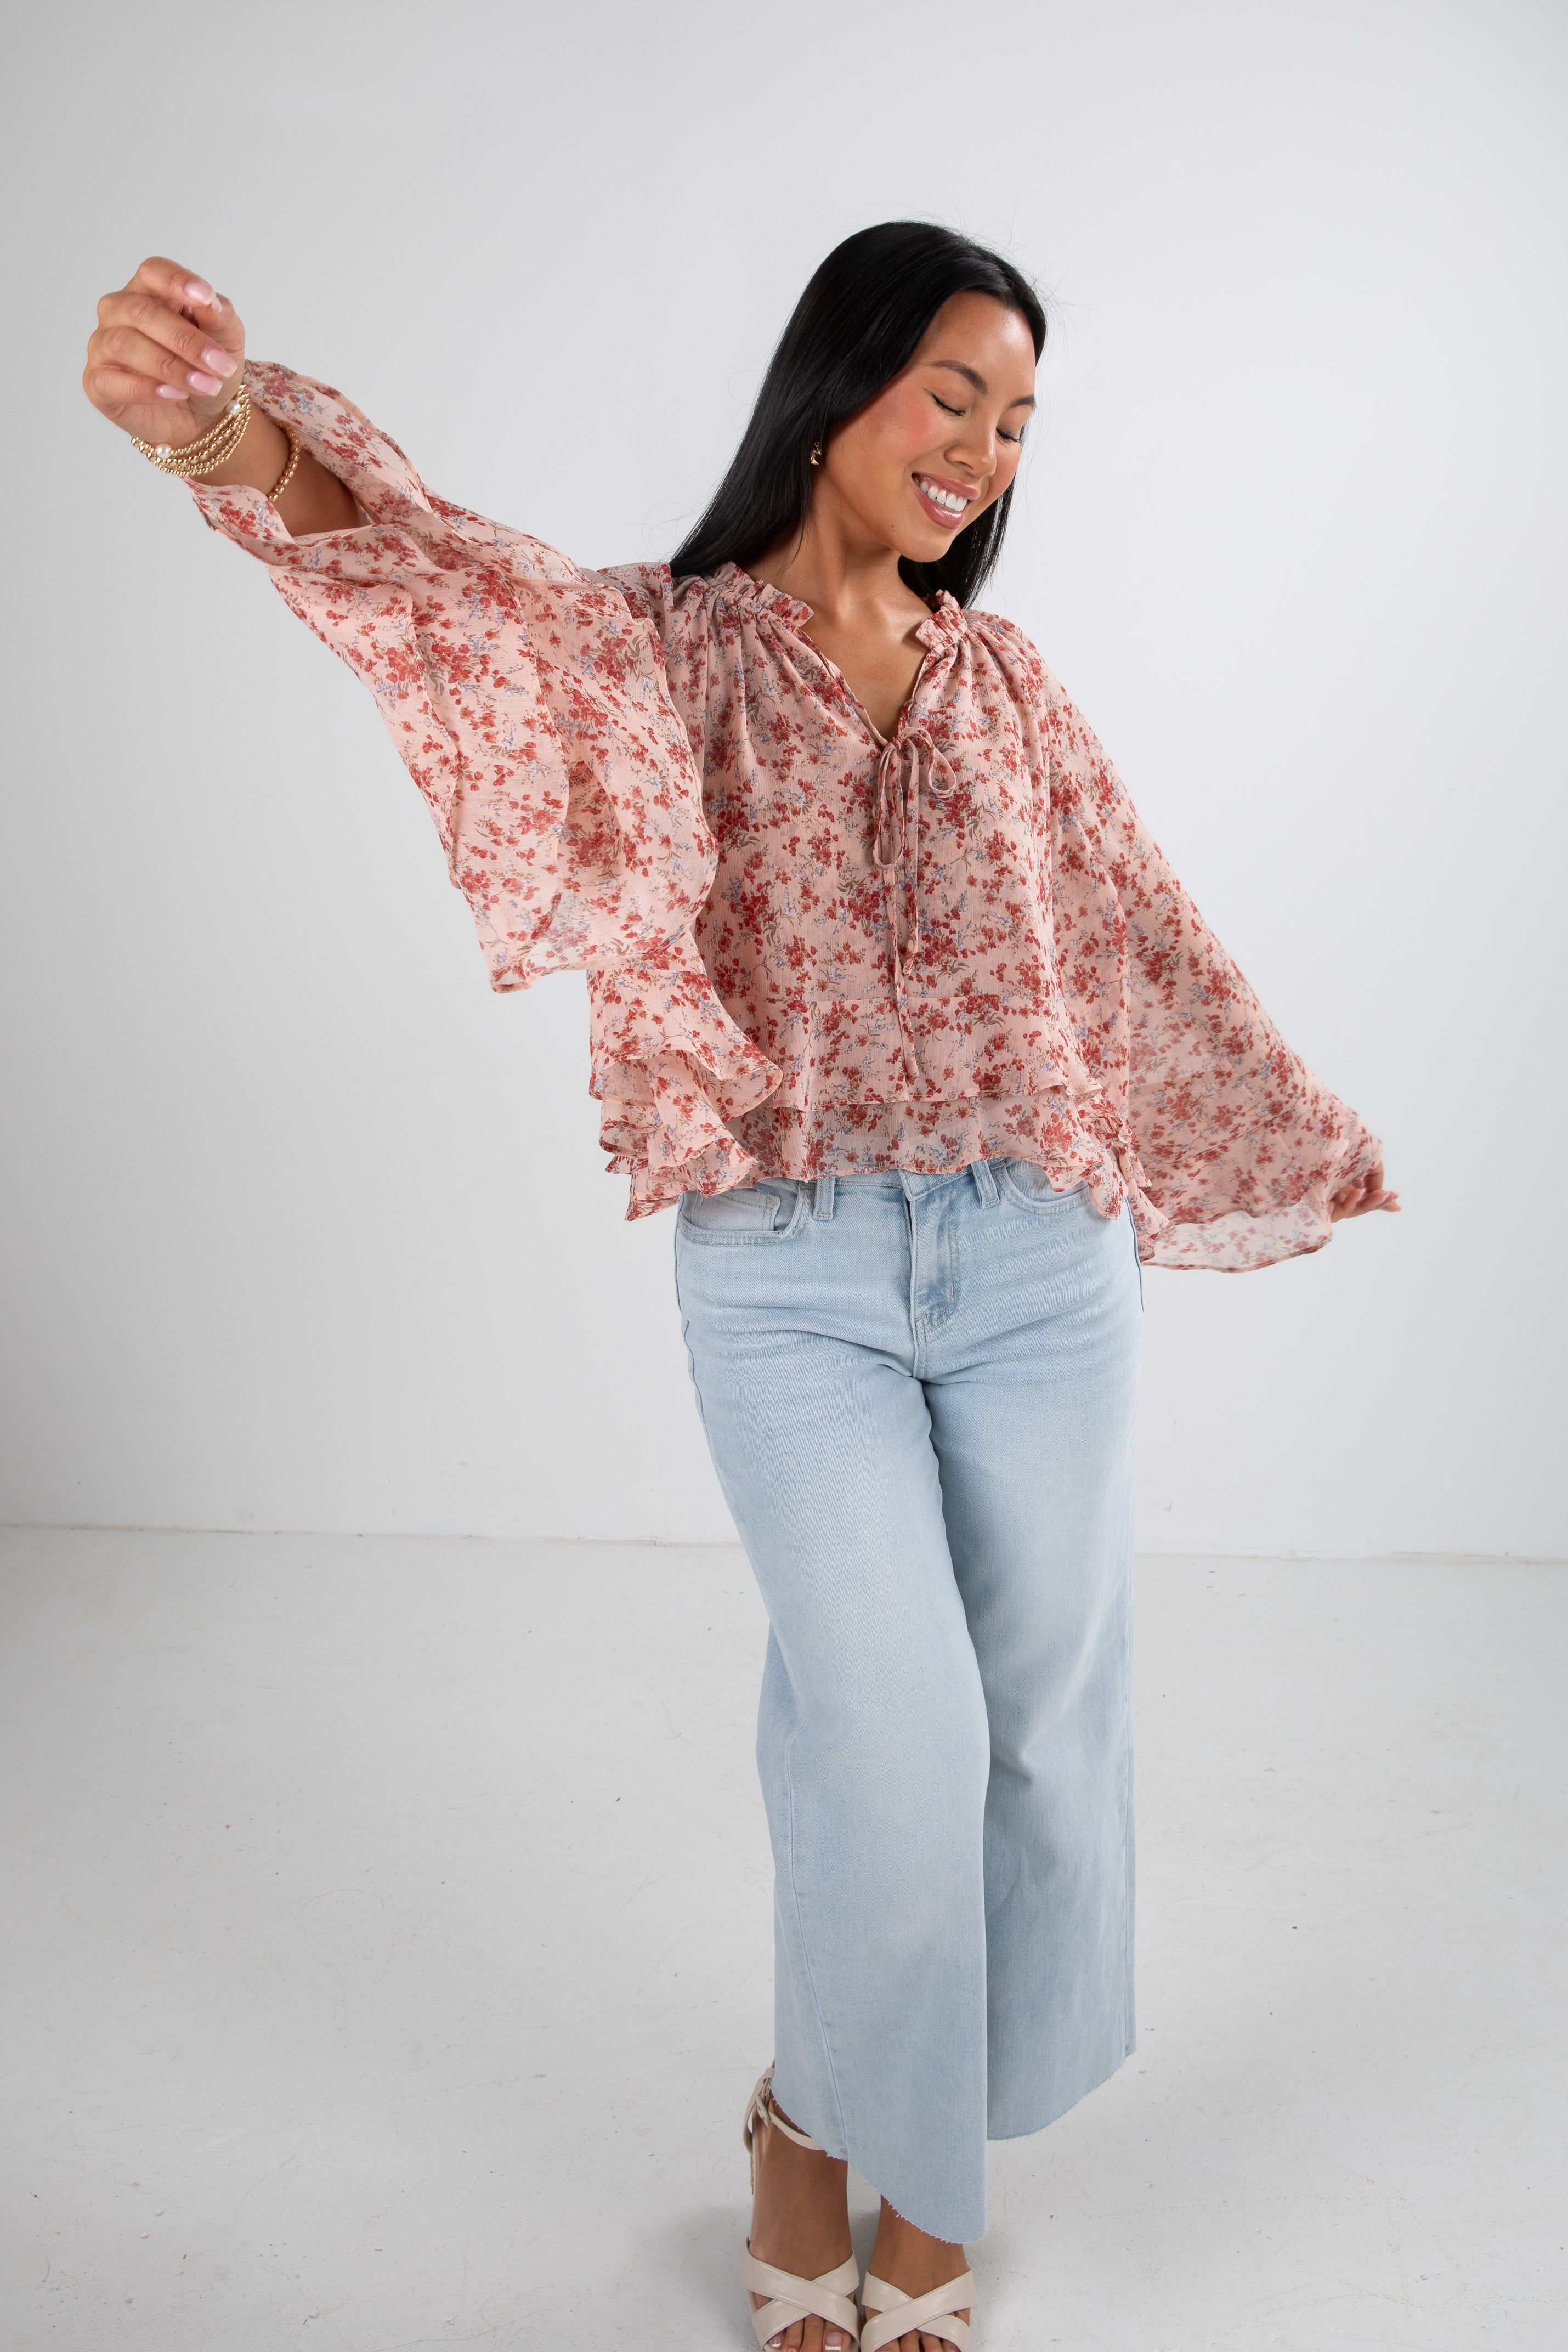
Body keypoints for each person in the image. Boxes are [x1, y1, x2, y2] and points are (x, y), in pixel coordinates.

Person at [82, 222, 1397, 2352]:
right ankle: (822, 2126)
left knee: (1041, 1729)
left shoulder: (1006, 681)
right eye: (953, 391)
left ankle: (917, 2149)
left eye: (1020, 418)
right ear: (837, 380)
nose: (984, 446)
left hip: (1038, 1257)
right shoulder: (658, 649)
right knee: (890, 1726)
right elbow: (437, 584)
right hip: (788, 1273)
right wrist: (221, 429)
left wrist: (1274, 1129)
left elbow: (1136, 937)